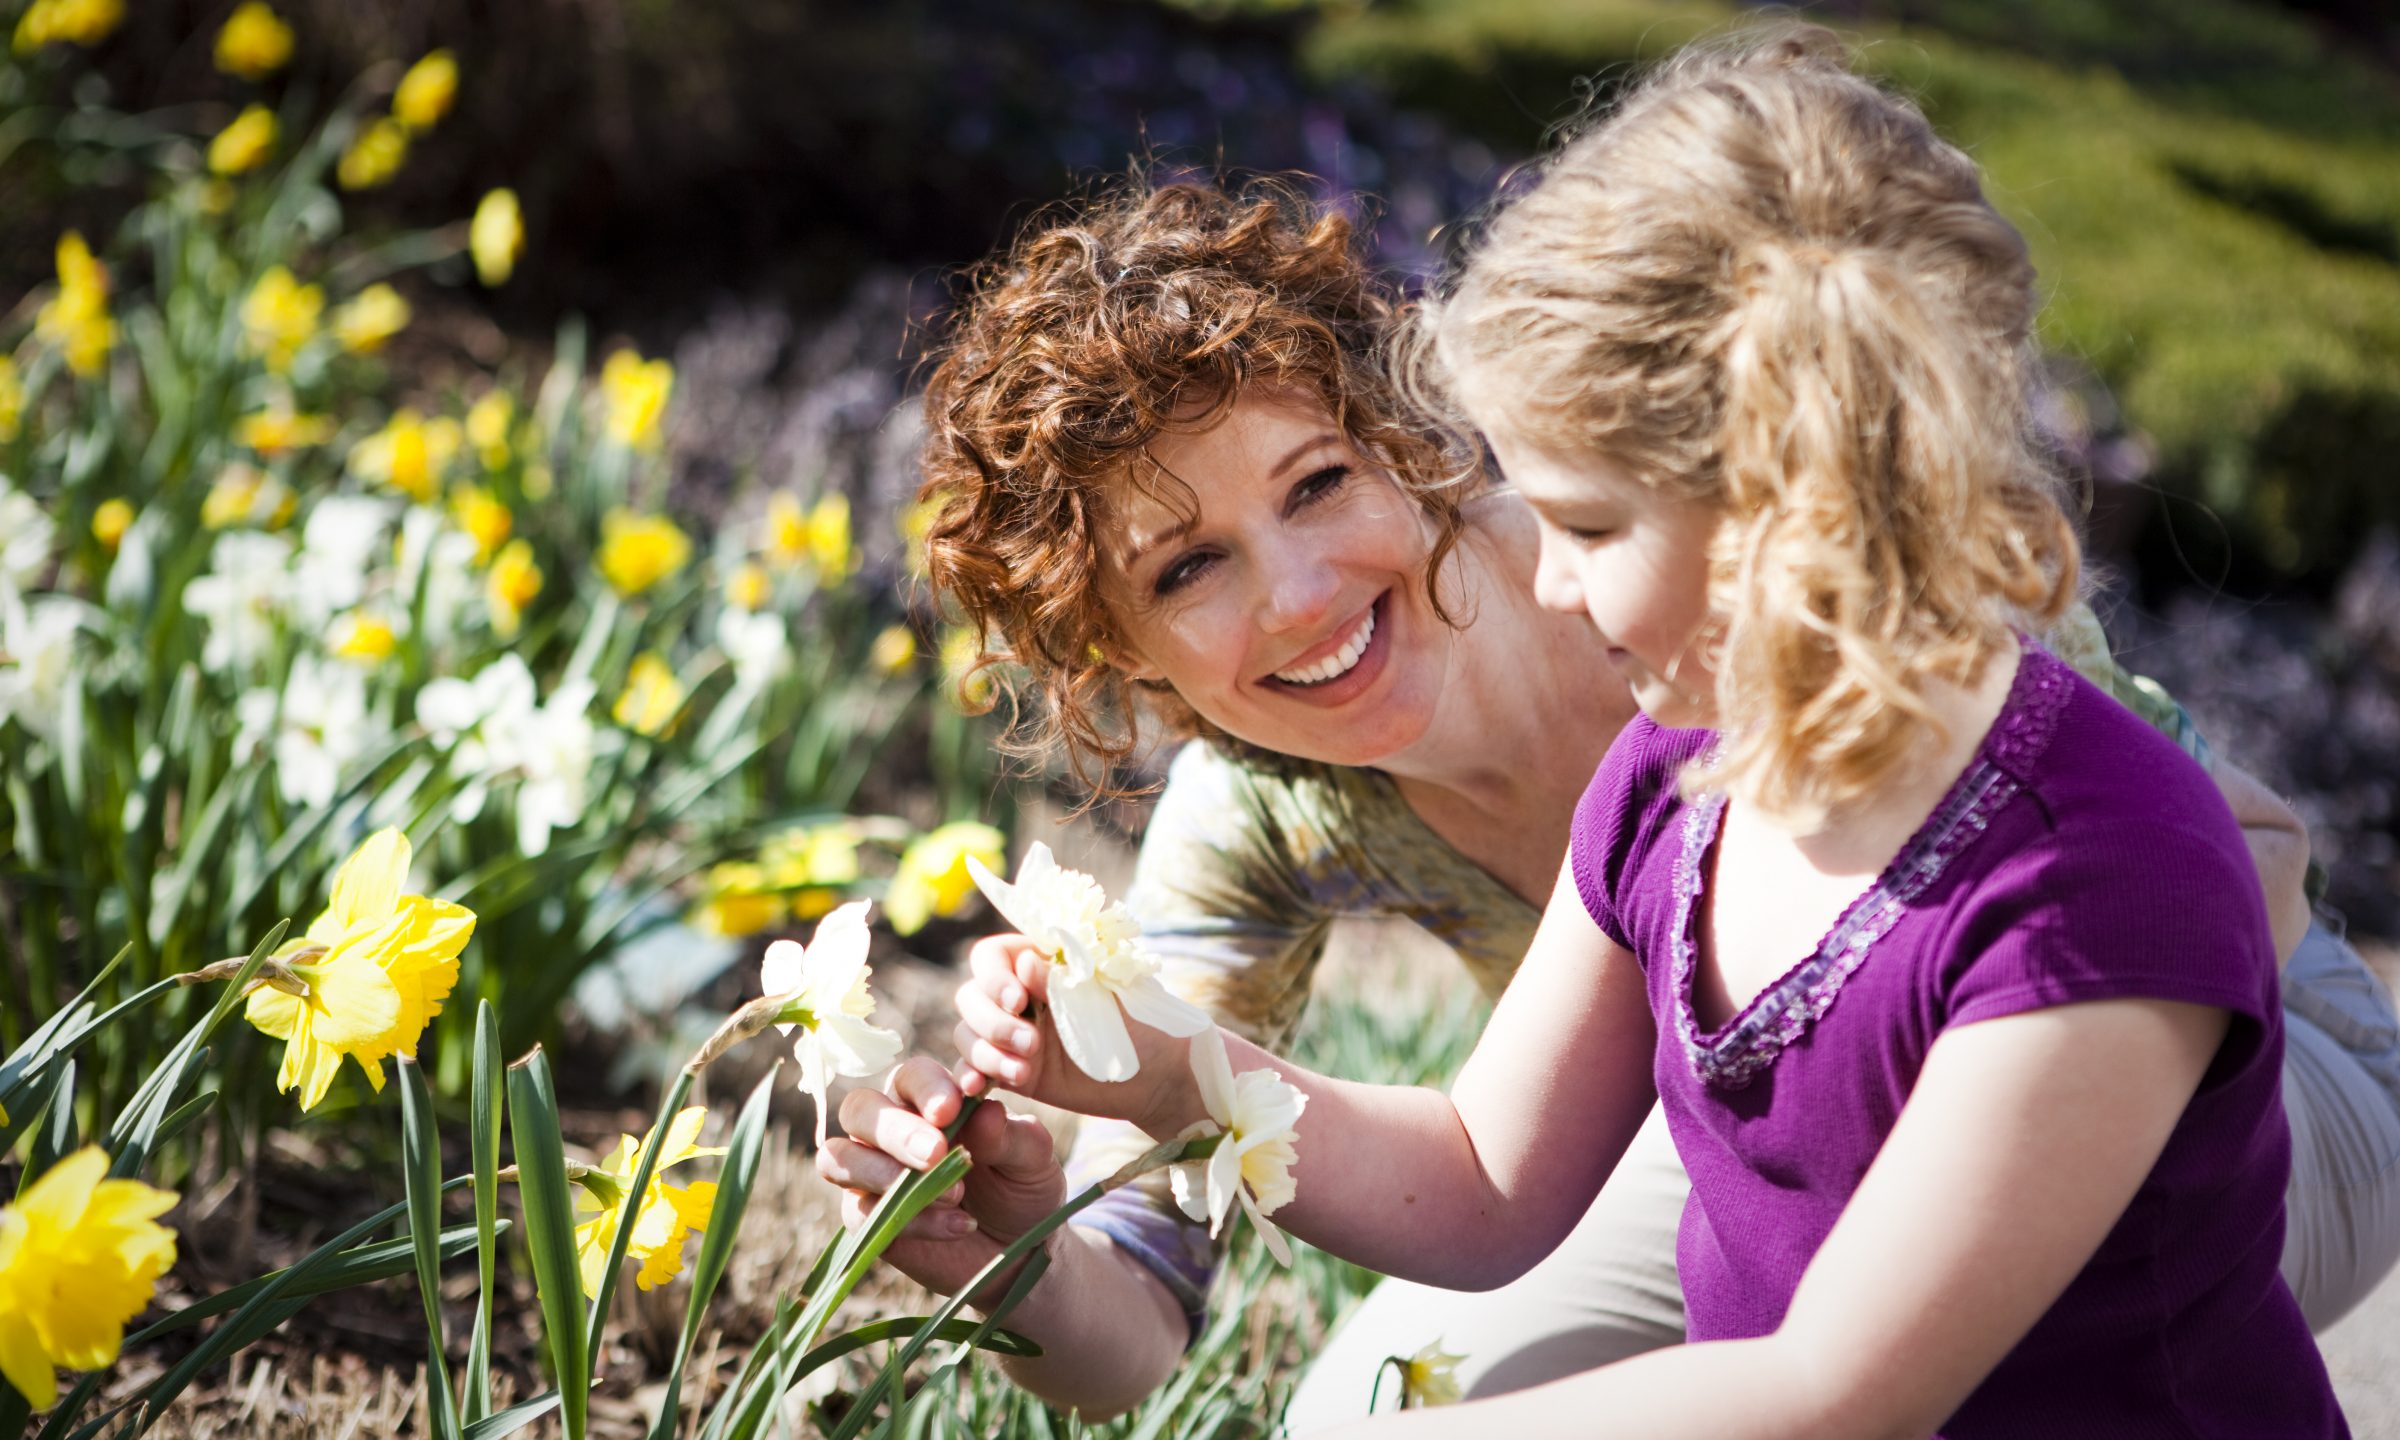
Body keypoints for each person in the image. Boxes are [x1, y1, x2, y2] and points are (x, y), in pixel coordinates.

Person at [820, 67, 2398, 1425]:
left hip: (2208, 1077)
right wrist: (1084, 1164)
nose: (1299, 595)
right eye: (1187, 571)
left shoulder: (1891, 685)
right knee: (1376, 1400)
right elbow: (1454, 1186)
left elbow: (2132, 897)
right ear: (1124, 662)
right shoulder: (1641, 778)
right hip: (1773, 1124)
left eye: (1314, 486)